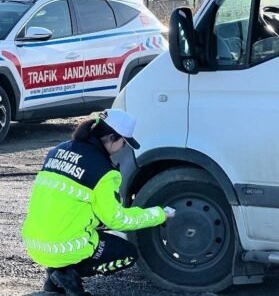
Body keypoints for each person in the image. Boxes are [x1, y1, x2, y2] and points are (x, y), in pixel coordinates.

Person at [21, 109, 175, 295]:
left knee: (87, 221)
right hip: (62, 247)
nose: (124, 148)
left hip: (34, 243)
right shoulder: (104, 172)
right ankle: (67, 273)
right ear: (111, 138)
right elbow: (117, 220)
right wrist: (160, 214)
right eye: (124, 143)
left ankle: (55, 275)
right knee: (127, 254)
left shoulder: (57, 151)